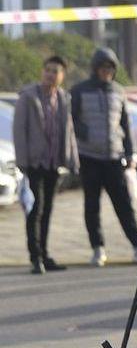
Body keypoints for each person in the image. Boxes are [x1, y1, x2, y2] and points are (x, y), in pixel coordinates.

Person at [71, 47, 137, 267]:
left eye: (111, 68)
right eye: (103, 68)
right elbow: (70, 120)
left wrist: (131, 152)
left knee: (124, 204)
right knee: (91, 205)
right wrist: (83, 134)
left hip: (113, 156)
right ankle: (97, 248)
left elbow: (126, 125)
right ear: (95, 68)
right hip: (89, 157)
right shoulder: (79, 90)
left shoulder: (118, 91)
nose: (107, 72)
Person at [13, 56, 79, 274]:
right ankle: (35, 257)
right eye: (48, 70)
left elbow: (68, 130)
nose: (51, 74)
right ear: (42, 71)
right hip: (34, 163)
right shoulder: (28, 97)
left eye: (56, 71)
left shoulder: (62, 98)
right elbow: (19, 132)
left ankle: (45, 253)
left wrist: (71, 159)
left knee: (48, 209)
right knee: (36, 208)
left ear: (62, 76)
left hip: (53, 163)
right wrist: (22, 162)